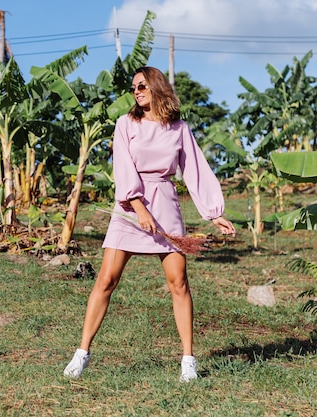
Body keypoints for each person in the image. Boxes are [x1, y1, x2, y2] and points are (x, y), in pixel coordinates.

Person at [63, 66, 236, 382]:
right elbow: (125, 168)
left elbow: (195, 169)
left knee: (178, 283)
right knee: (106, 280)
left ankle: (188, 362)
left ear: (156, 86)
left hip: (166, 204)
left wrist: (214, 213)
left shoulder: (178, 128)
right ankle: (81, 353)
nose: (136, 91)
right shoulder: (125, 124)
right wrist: (139, 208)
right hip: (131, 207)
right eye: (133, 88)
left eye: (142, 85)